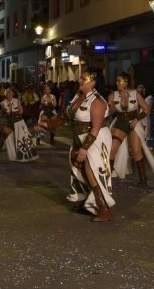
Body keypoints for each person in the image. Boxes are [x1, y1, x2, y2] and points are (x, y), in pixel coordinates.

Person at [43, 68, 114, 221]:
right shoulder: (79, 96)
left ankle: (104, 208)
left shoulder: (98, 101)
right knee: (78, 168)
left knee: (92, 169)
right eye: (80, 78)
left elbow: (95, 129)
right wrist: (48, 125)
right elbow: (65, 116)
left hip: (95, 138)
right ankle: (88, 202)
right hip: (79, 137)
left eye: (84, 79)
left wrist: (84, 148)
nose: (80, 81)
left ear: (93, 82)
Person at [108, 73, 154, 187]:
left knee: (137, 151)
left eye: (119, 81)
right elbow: (110, 111)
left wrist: (137, 119)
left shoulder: (135, 94)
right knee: (112, 149)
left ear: (126, 82)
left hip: (134, 123)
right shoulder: (113, 95)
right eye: (116, 81)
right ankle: (106, 178)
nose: (117, 83)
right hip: (120, 122)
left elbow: (146, 109)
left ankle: (143, 181)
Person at [0, 87, 38, 163]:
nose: (7, 93)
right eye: (7, 92)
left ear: (13, 93)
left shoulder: (16, 101)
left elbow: (21, 112)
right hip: (10, 124)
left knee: (25, 138)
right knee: (2, 138)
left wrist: (13, 112)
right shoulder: (4, 102)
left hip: (19, 123)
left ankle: (28, 156)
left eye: (9, 92)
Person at [136, 84, 154, 148]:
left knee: (147, 133)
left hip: (146, 117)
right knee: (143, 132)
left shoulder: (149, 98)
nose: (143, 92)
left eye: (143, 91)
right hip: (141, 118)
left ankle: (148, 147)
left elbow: (146, 108)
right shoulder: (143, 98)